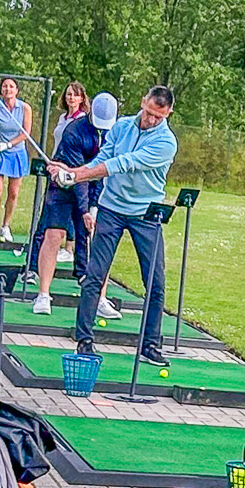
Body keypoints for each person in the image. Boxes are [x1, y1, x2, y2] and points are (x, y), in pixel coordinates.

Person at [51, 85, 178, 362]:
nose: (151, 120)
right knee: (94, 275)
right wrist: (71, 170)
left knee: (155, 282)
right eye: (149, 112)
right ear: (142, 102)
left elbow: (123, 163)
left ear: (168, 113)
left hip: (146, 213)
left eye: (159, 116)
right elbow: (104, 158)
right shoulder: (122, 126)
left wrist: (74, 175)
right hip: (111, 208)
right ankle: (84, 340)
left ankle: (150, 345)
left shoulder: (167, 142)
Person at [31, 91, 118, 318]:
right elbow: (79, 178)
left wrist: (94, 207)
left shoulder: (115, 133)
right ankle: (43, 295)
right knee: (54, 234)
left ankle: (100, 298)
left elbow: (104, 172)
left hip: (94, 185)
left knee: (101, 239)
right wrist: (85, 211)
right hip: (63, 185)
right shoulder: (74, 131)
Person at [0, 77, 32, 240]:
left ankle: (5, 226)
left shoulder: (25, 108)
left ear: (17, 90)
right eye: (5, 86)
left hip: (17, 152)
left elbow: (25, 133)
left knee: (13, 193)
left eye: (11, 86)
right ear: (1, 90)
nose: (8, 89)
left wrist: (9, 144)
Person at [51, 80, 89, 152]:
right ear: (65, 97)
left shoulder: (83, 119)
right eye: (69, 94)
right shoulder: (62, 118)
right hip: (56, 157)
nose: (72, 97)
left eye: (76, 95)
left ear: (81, 99)